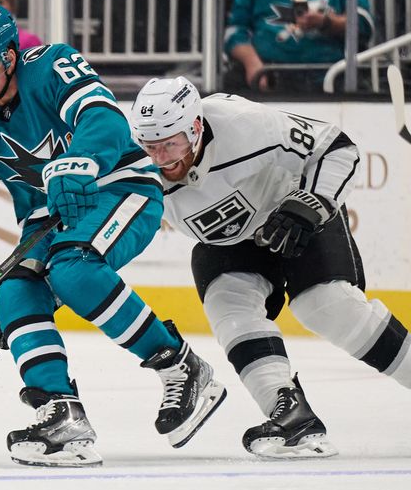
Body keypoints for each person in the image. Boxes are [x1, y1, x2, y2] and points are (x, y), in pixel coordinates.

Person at [0, 4, 226, 468]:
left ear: (10, 57)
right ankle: (61, 414)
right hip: (47, 215)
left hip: (118, 185)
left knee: (73, 270)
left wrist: (83, 160)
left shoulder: (53, 65)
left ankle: (180, 365)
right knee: (15, 290)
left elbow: (104, 117)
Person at [128, 77, 411, 458]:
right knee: (227, 301)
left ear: (196, 127)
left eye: (172, 143)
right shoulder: (131, 161)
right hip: (229, 242)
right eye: (151, 146)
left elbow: (337, 147)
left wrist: (310, 204)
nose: (161, 158)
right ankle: (291, 413)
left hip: (291, 215)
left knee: (325, 305)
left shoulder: (242, 123)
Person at [225, 0, 374, 92]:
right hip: (268, 77)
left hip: (330, 77)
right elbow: (234, 32)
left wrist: (327, 22)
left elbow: (365, 24)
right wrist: (252, 63)